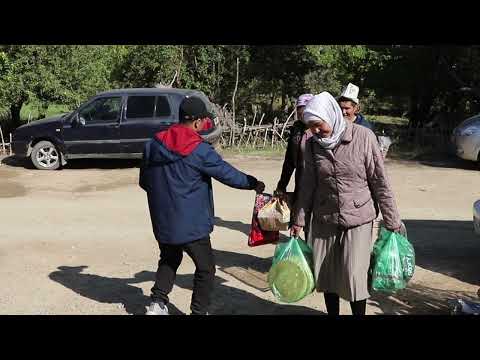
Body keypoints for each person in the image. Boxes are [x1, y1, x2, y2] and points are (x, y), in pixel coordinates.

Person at [139, 95, 265, 315]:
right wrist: (253, 183)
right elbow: (229, 175)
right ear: (198, 122)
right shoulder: (199, 150)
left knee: (169, 258)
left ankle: (157, 304)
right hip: (192, 223)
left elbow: (144, 182)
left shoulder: (152, 144)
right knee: (206, 268)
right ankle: (199, 311)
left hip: (164, 219)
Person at [291, 92, 403, 316]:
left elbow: (380, 180)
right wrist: (299, 220)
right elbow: (308, 185)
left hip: (358, 217)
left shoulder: (363, 137)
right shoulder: (312, 145)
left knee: (354, 276)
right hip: (325, 216)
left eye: (317, 124)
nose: (314, 130)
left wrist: (392, 220)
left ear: (330, 116)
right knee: (327, 274)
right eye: (310, 126)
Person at [275, 93, 314, 204]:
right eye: (299, 111)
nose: (301, 114)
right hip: (301, 180)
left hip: (319, 184)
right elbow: (289, 161)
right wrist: (282, 185)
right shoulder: (296, 129)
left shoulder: (322, 129)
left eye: (304, 111)